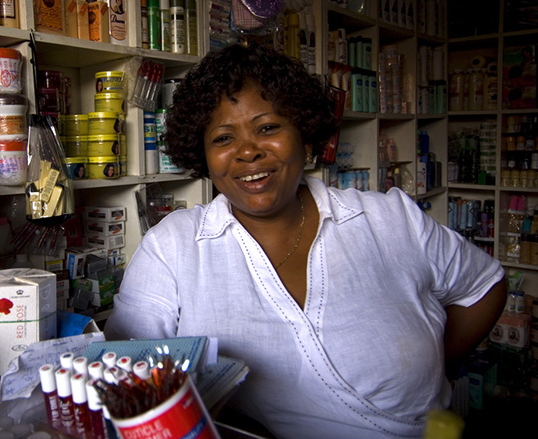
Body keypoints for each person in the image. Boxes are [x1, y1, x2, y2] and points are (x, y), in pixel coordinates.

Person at [104, 43, 506, 438]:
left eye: (268, 128)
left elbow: (484, 285)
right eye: (223, 138)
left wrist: (434, 364)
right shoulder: (172, 247)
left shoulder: (388, 219)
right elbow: (126, 374)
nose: (247, 152)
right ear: (203, 154)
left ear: (305, 135)